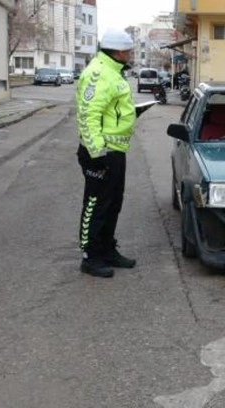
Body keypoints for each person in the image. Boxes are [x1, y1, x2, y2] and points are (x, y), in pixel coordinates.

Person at [76, 28, 139, 278]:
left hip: (115, 151)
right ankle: (90, 257)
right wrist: (97, 154)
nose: (131, 54)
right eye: (129, 51)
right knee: (96, 205)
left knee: (113, 203)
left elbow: (111, 110)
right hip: (101, 153)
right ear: (119, 51)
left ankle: (107, 250)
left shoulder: (113, 71)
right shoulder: (99, 73)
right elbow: (88, 115)